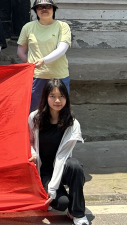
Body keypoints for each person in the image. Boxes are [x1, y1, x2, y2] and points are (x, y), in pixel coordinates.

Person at [28, 80, 87, 225]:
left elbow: (62, 156)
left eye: (61, 96)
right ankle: (57, 198)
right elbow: (28, 141)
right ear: (45, 97)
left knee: (75, 166)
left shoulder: (72, 123)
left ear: (66, 98)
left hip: (62, 167)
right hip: (45, 171)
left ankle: (78, 213)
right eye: (52, 96)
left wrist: (53, 189)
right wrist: (33, 154)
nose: (57, 101)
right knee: (61, 203)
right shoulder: (34, 118)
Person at [17, 0, 72, 112]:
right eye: (40, 7)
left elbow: (62, 49)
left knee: (59, 111)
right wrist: (31, 65)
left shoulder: (62, 26)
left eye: (48, 7)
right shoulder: (28, 27)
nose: (44, 9)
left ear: (53, 9)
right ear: (36, 11)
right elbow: (20, 51)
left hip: (58, 75)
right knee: (35, 111)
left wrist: (43, 61)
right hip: (36, 77)